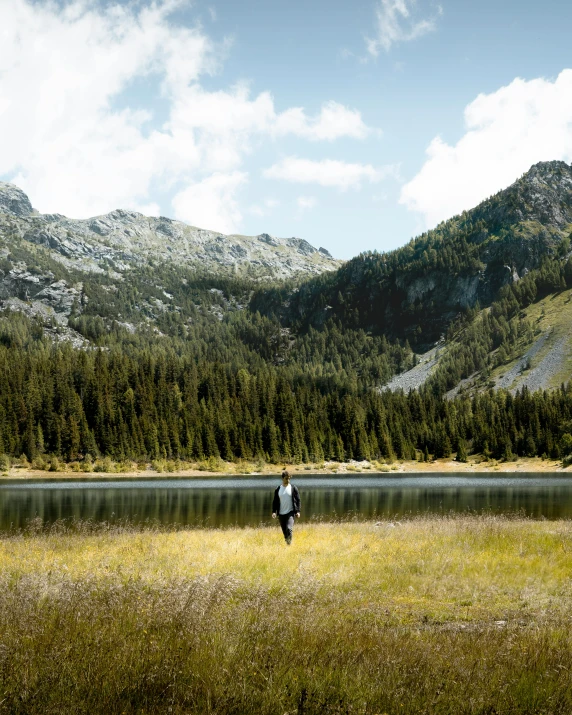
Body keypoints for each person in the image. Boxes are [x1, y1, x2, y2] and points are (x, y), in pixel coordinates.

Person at [271, 470, 300, 545]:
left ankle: (289, 545)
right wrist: (274, 512)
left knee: (289, 529)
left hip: (290, 512)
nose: (288, 480)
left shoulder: (293, 488)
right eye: (286, 478)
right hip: (281, 514)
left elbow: (298, 500)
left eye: (289, 478)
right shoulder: (278, 489)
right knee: (285, 532)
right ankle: (287, 544)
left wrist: (298, 511)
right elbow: (275, 501)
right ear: (282, 478)